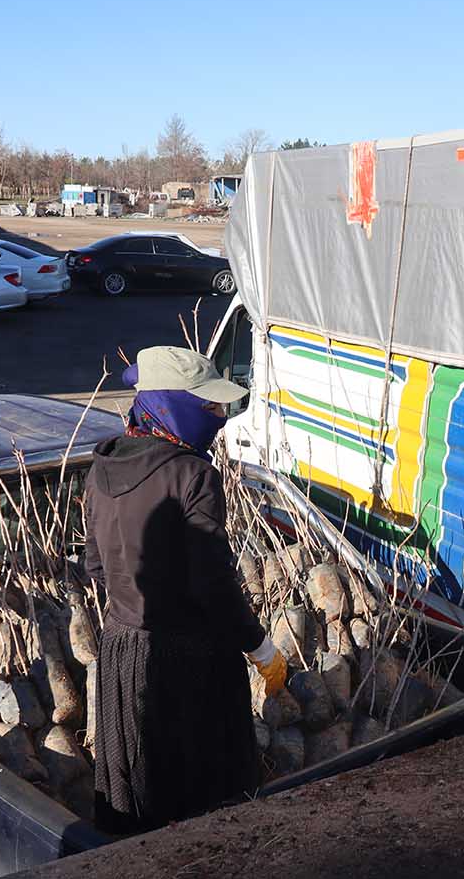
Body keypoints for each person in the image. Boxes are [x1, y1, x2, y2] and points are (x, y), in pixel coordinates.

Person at [85, 346, 287, 835]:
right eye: (209, 406)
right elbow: (212, 584)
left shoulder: (101, 468)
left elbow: (94, 565)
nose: (219, 416)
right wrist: (261, 647)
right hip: (188, 666)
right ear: (172, 404)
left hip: (122, 656)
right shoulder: (193, 474)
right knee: (205, 811)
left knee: (138, 804)